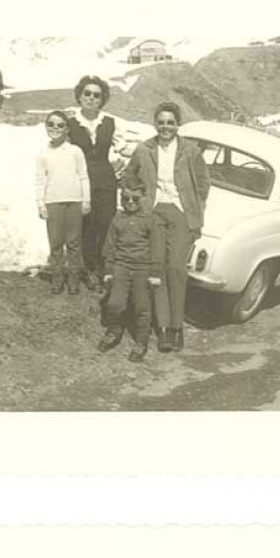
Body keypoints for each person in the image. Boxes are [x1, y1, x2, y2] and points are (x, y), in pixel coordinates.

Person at [123, 102, 210, 353]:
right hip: (153, 213)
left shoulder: (191, 151)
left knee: (176, 269)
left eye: (170, 122)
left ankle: (177, 326)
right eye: (161, 122)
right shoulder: (144, 149)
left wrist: (195, 212)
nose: (165, 127)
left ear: (177, 125)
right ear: (155, 123)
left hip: (181, 213)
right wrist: (138, 204)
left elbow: (203, 184)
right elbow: (129, 177)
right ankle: (163, 329)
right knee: (157, 268)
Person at [67, 76, 125, 290]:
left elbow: (122, 149)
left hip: (106, 180)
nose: (91, 98)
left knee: (105, 224)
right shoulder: (71, 124)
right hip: (81, 180)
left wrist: (123, 163)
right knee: (87, 225)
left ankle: (103, 266)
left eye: (96, 95)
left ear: (102, 99)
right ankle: (90, 268)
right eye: (87, 94)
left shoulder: (109, 123)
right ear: (80, 96)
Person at [97, 183, 161, 363]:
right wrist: (109, 270)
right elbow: (109, 246)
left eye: (135, 199)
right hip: (122, 265)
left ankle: (141, 343)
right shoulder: (118, 219)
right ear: (121, 199)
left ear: (143, 199)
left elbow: (156, 247)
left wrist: (154, 273)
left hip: (143, 267)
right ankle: (114, 331)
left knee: (142, 306)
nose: (130, 202)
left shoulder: (149, 220)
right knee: (115, 304)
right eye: (126, 199)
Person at [35, 110, 90, 295]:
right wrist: (41, 203)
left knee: (74, 244)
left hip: (74, 201)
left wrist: (85, 200)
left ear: (67, 129)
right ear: (46, 127)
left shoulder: (75, 151)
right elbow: (40, 180)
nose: (55, 128)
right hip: (53, 202)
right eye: (51, 124)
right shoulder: (43, 153)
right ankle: (57, 278)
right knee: (56, 243)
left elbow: (83, 176)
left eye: (60, 125)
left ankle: (73, 280)